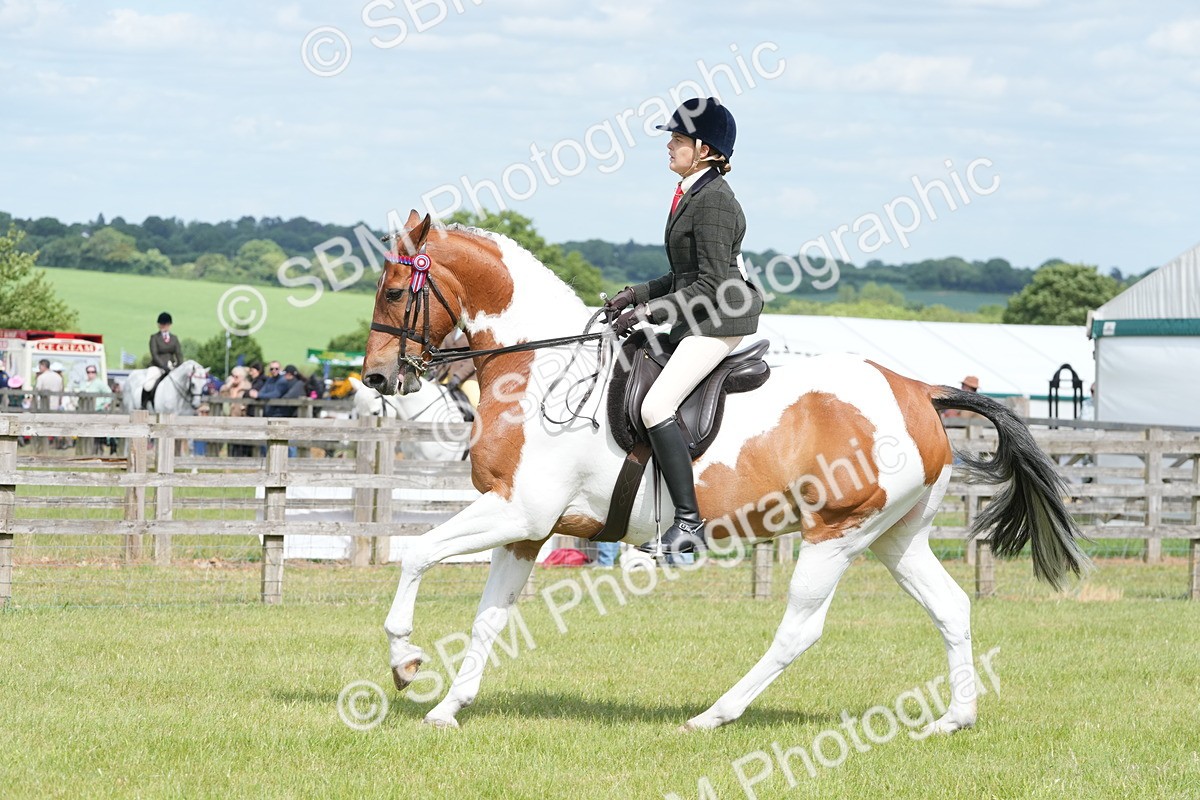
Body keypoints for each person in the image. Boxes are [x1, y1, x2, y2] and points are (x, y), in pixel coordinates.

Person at [604, 97, 762, 557]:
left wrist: (654, 312)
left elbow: (713, 284)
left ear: (706, 149)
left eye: (677, 139)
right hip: (698, 312)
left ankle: (689, 523)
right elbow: (684, 276)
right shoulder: (693, 192)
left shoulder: (715, 201)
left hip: (719, 320)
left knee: (656, 407)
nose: (668, 147)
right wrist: (637, 295)